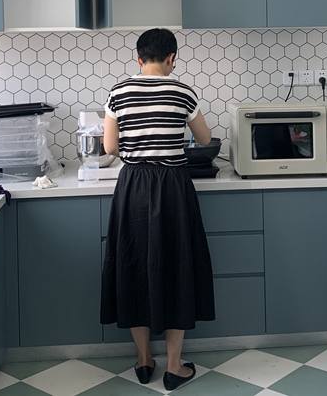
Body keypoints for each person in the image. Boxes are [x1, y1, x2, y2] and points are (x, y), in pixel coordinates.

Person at [100, 28, 215, 391]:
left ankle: (144, 360)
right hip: (173, 188)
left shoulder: (118, 92)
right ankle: (175, 366)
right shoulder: (183, 92)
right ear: (171, 58)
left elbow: (109, 148)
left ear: (138, 59)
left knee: (133, 265)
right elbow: (205, 139)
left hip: (133, 186)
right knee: (178, 265)